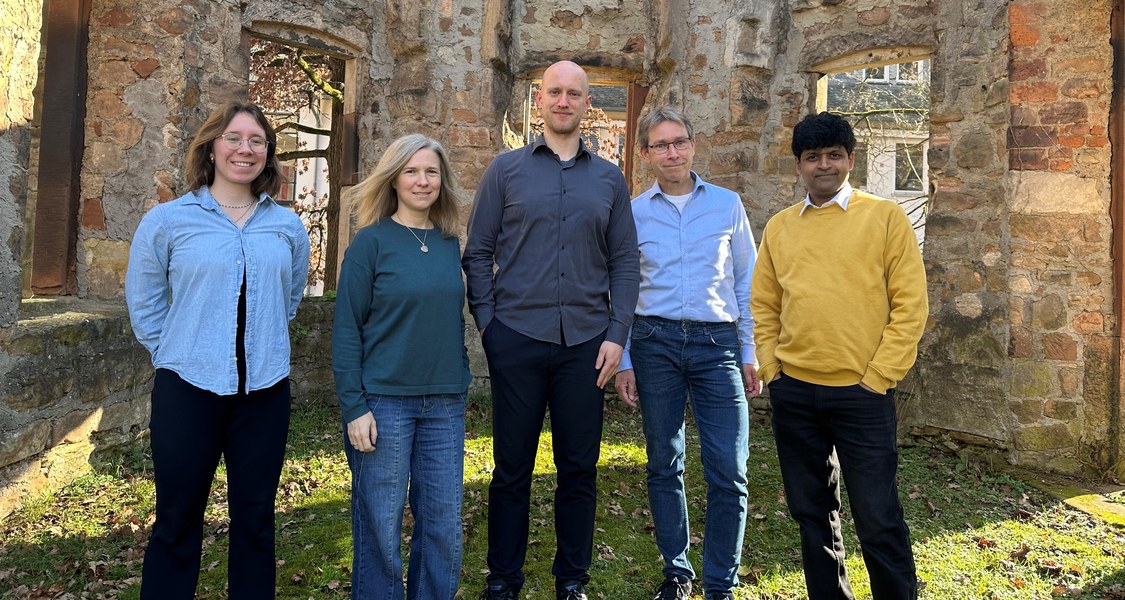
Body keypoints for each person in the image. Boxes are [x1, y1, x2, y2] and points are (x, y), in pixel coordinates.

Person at [463, 60, 640, 600]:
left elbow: (626, 263)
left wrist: (616, 334)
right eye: (554, 92)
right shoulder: (505, 171)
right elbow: (478, 253)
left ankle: (571, 580)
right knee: (511, 468)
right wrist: (490, 326)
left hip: (587, 345)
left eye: (575, 94)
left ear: (589, 104)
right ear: (539, 101)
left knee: (579, 469)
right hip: (515, 336)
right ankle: (504, 579)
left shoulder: (610, 178)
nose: (564, 101)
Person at [125, 100, 311, 600]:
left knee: (255, 521)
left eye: (256, 141)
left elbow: (288, 298)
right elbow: (144, 302)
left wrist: (262, 340)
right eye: (233, 138)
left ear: (268, 154)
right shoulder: (168, 221)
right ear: (211, 147)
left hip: (264, 394)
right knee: (177, 520)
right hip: (188, 390)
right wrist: (179, 351)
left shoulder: (288, 227)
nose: (244, 149)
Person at [751, 111, 927, 600]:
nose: (823, 165)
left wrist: (877, 378)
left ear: (851, 159)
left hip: (862, 395)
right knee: (812, 516)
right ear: (799, 166)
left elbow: (911, 307)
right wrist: (773, 369)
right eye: (812, 157)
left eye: (833, 155)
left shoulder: (885, 218)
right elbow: (764, 305)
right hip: (795, 395)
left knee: (878, 517)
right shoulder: (781, 228)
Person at [614, 106, 759, 600]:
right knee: (663, 461)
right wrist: (627, 360)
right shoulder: (633, 213)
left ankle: (721, 583)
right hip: (654, 345)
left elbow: (747, 282)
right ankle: (677, 572)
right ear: (646, 154)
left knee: (729, 468)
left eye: (679, 142)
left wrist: (749, 351)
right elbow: (624, 291)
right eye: (661, 145)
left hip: (717, 345)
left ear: (694, 145)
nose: (672, 152)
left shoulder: (727, 205)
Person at [332, 133, 472, 600]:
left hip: (445, 405)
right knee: (380, 526)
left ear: (442, 180)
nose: (422, 180)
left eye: (431, 171)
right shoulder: (370, 244)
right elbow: (347, 330)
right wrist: (354, 407)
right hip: (383, 404)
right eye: (411, 171)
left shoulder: (452, 243)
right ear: (393, 179)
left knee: (443, 526)